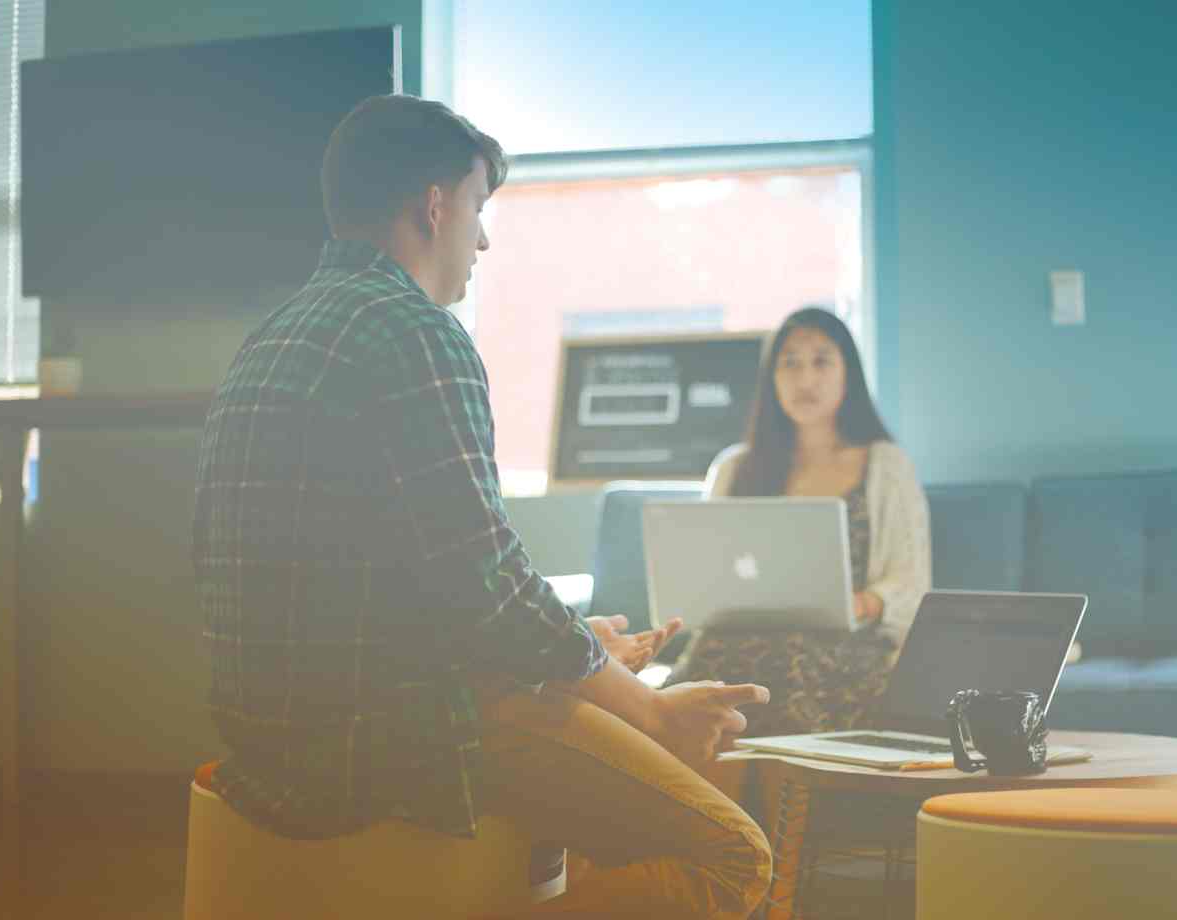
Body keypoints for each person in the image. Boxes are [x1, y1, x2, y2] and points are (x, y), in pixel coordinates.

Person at [192, 94, 770, 919]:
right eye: (478, 206)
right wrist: (645, 710)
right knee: (733, 858)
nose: (485, 238)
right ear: (435, 205)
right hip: (392, 736)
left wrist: (578, 657)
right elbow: (489, 591)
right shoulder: (415, 331)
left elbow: (394, 583)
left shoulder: (273, 336)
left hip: (268, 734)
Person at [669, 307, 932, 737]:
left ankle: (779, 798)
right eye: (789, 362)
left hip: (847, 644)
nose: (805, 379)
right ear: (771, 379)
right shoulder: (734, 468)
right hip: (735, 638)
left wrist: (863, 602)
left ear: (849, 373)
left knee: (789, 663)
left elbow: (911, 581)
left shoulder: (886, 466)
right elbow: (706, 570)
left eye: (821, 361)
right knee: (703, 675)